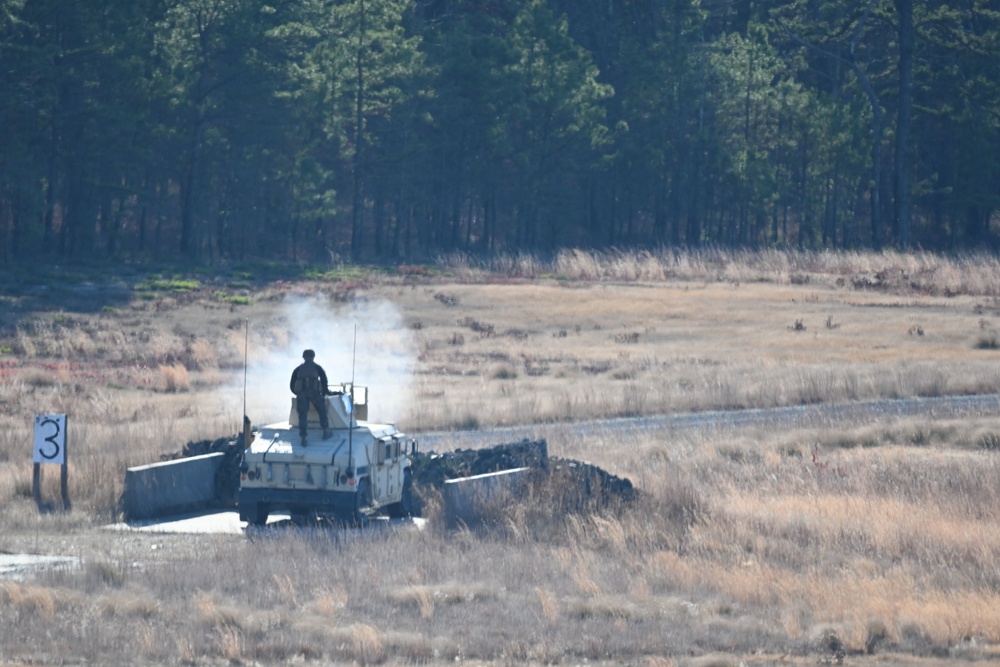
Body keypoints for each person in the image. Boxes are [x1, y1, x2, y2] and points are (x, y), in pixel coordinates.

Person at [289, 349, 332, 445]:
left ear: (303, 357)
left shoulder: (298, 369)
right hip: (315, 393)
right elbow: (324, 380)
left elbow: (292, 385)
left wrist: (298, 394)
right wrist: (324, 392)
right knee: (322, 411)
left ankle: (303, 437)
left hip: (302, 394)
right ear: (313, 357)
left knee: (302, 415)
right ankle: (325, 431)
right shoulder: (317, 367)